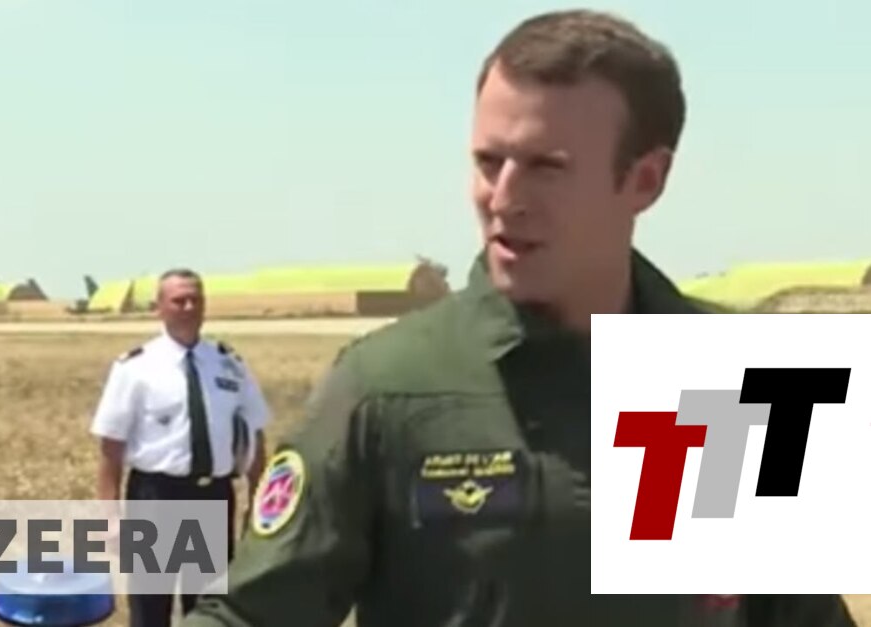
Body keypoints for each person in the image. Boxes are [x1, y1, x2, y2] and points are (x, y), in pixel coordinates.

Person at [181, 9, 857, 627]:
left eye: (545, 167)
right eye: (488, 161)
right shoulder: (390, 387)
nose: (503, 199)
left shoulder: (733, 377)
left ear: (645, 180)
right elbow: (251, 616)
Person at [90, 267, 271, 627]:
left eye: (195, 300)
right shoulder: (136, 368)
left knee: (209, 610)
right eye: (179, 300)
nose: (188, 307)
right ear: (159, 307)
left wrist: (257, 503)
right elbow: (111, 448)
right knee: (150, 609)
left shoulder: (228, 364)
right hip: (155, 497)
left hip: (212, 497)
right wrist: (110, 518)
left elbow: (254, 437)